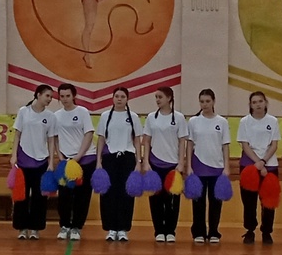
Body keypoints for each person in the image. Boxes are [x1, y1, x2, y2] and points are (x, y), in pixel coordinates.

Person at [140, 86, 189, 243]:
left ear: (169, 98)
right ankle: (159, 231)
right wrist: (146, 162)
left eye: (160, 97)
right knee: (155, 199)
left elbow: (182, 142)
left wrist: (181, 163)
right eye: (156, 97)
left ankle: (170, 231)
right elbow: (146, 141)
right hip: (154, 164)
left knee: (172, 200)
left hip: (173, 166)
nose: (157, 100)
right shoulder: (151, 118)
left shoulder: (179, 118)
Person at [50, 83, 96, 240]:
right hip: (66, 161)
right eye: (62, 96)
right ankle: (64, 226)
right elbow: (55, 138)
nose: (65, 99)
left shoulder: (82, 112)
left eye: (68, 96)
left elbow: (88, 134)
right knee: (64, 195)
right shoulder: (56, 116)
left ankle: (77, 226)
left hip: (85, 159)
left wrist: (79, 156)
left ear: (74, 96)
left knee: (82, 195)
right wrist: (60, 156)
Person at [94, 86, 140, 242]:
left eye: (122, 97)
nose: (119, 99)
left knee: (125, 193)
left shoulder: (133, 117)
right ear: (113, 98)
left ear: (127, 99)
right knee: (109, 193)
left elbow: (137, 139)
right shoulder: (105, 116)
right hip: (110, 158)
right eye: (117, 96)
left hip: (127, 158)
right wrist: (99, 161)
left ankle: (123, 229)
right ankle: (111, 228)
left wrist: (138, 161)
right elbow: (101, 139)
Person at [186, 88, 231, 245]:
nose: (204, 104)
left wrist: (226, 167)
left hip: (217, 168)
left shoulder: (222, 122)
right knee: (198, 202)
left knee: (215, 202)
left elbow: (225, 146)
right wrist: (189, 166)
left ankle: (213, 232)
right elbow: (189, 145)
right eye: (202, 101)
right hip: (198, 167)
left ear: (213, 102)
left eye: (207, 101)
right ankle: (198, 232)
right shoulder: (193, 121)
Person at [237, 90, 281, 245]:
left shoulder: (273, 121)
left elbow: (274, 145)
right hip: (249, 165)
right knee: (249, 201)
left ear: (265, 103)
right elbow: (245, 145)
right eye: (254, 102)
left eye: (260, 101)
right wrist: (257, 162)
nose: (258, 105)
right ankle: (250, 230)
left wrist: (264, 161)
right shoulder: (245, 122)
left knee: (268, 201)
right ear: (250, 105)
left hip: (270, 166)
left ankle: (267, 231)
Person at [11, 84, 54, 240]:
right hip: (23, 161)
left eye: (51, 97)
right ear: (38, 95)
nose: (49, 99)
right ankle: (22, 228)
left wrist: (51, 162)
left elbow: (51, 140)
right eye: (47, 96)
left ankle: (35, 228)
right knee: (22, 196)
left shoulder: (50, 116)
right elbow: (17, 134)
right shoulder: (24, 112)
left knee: (39, 197)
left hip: (41, 162)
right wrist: (13, 155)